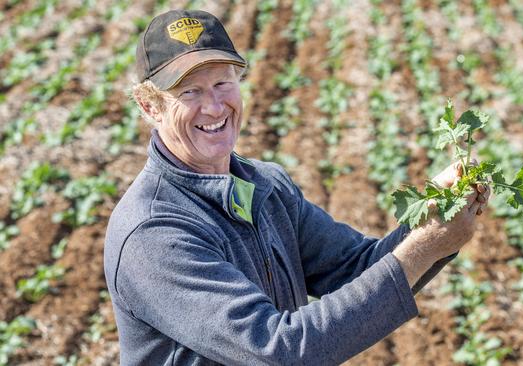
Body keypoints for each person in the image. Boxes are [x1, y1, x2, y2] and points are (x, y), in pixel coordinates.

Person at [104, 9, 490, 365]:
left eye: (223, 82)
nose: (215, 107)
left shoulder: (266, 187)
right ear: (150, 106)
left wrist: (436, 217)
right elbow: (278, 350)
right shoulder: (153, 233)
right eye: (189, 92)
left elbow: (356, 268)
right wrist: (425, 245)